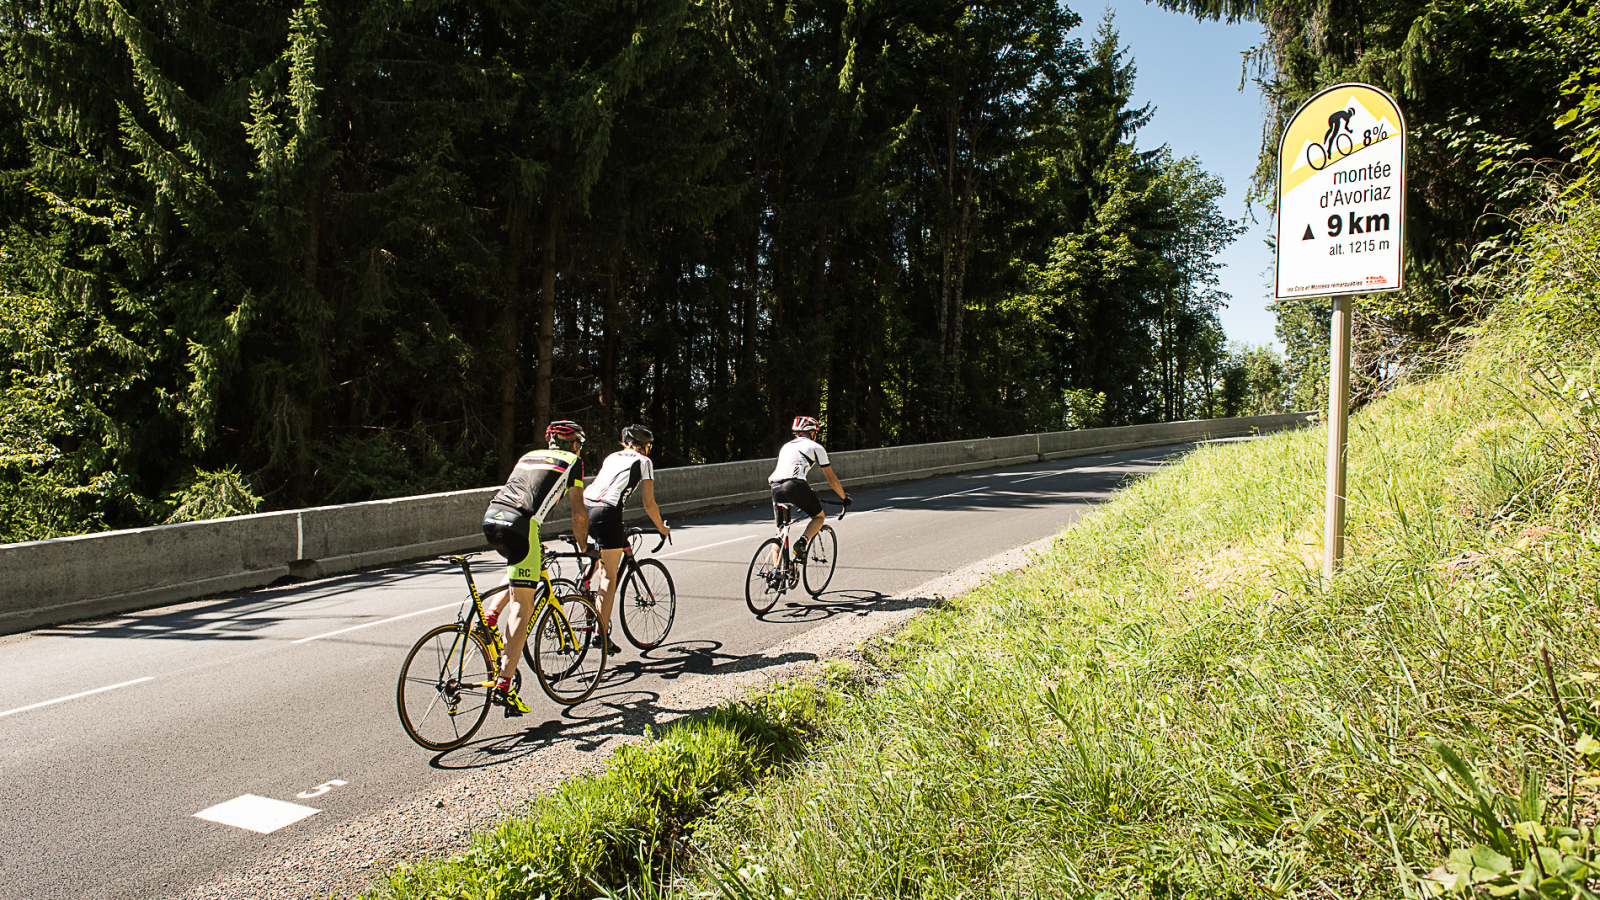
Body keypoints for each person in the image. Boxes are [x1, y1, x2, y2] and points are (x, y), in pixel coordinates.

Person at [479, 420, 590, 716]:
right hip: (522, 525)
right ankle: (504, 685)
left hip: (493, 517)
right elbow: (578, 511)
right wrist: (584, 546)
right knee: (522, 607)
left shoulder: (528, 456)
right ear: (574, 444)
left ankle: (489, 618)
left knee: (521, 565)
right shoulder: (574, 462)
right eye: (579, 443)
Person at [583, 424, 670, 654]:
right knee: (609, 576)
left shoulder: (611, 456)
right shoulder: (645, 462)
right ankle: (601, 635)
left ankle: (581, 588)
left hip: (586, 505)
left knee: (598, 555)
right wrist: (662, 528)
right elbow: (649, 503)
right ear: (645, 446)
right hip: (607, 512)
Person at [767, 415, 849, 562]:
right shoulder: (816, 447)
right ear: (812, 433)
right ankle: (802, 542)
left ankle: (776, 574)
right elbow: (831, 478)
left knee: (781, 532)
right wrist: (844, 497)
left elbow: (788, 472)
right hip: (795, 486)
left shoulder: (786, 446)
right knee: (819, 517)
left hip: (775, 486)